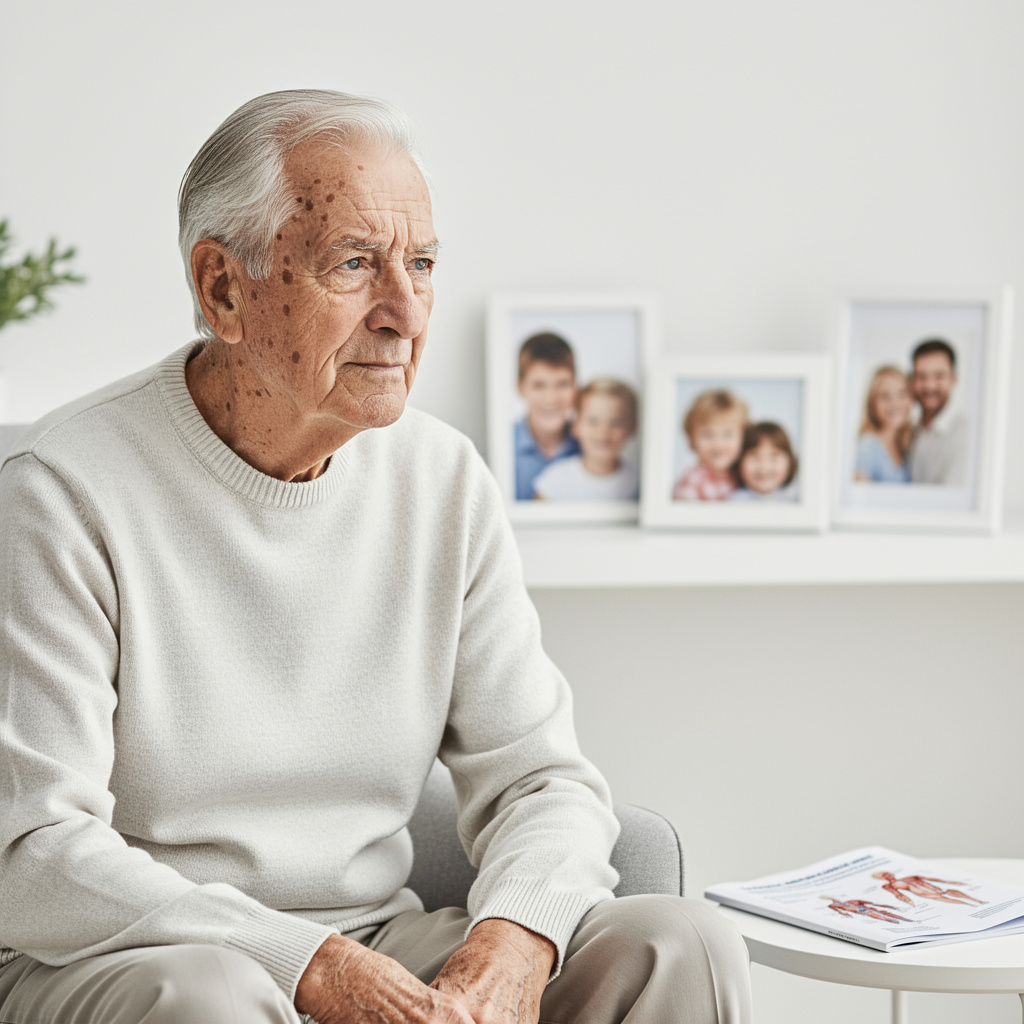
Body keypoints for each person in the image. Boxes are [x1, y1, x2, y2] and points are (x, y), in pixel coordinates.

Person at [0, 90, 751, 1024]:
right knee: (213, 996)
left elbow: (542, 781)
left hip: (376, 943)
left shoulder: (443, 481)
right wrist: (303, 963)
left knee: (680, 943)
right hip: (142, 962)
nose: (404, 312)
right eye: (354, 264)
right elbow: (34, 851)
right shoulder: (61, 489)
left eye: (423, 264)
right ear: (222, 288)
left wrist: (515, 937)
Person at [532, 378, 639, 501]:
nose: (603, 432)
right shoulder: (554, 480)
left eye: (615, 423)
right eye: (593, 421)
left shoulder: (640, 482)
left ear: (632, 427)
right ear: (576, 426)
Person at [513, 332, 580, 500]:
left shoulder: (592, 444)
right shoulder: (503, 445)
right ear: (520, 387)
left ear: (575, 387)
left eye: (562, 384)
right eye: (538, 385)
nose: (551, 398)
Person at [907, 338, 968, 486]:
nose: (929, 385)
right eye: (922, 376)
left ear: (953, 378)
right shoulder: (910, 432)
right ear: (912, 380)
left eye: (939, 376)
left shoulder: (965, 435)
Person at [673, 389, 748, 501]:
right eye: (708, 434)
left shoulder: (742, 476)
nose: (718, 444)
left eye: (727, 434)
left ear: (744, 437)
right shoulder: (692, 483)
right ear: (692, 439)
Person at [854, 366, 913, 483]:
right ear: (872, 404)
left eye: (901, 394)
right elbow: (859, 497)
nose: (895, 404)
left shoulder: (905, 446)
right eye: (885, 397)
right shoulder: (868, 446)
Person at [727, 422, 799, 501]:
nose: (764, 466)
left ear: (790, 462)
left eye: (773, 457)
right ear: (739, 462)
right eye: (755, 457)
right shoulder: (734, 502)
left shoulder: (797, 499)